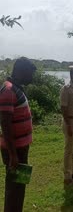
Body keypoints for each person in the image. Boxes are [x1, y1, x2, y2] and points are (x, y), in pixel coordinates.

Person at [0, 57, 37, 212]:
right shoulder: (8, 90)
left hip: (20, 149)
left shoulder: (16, 88)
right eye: (30, 73)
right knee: (14, 188)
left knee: (19, 186)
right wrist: (13, 154)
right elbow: (5, 125)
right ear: (21, 71)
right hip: (15, 151)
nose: (32, 77)